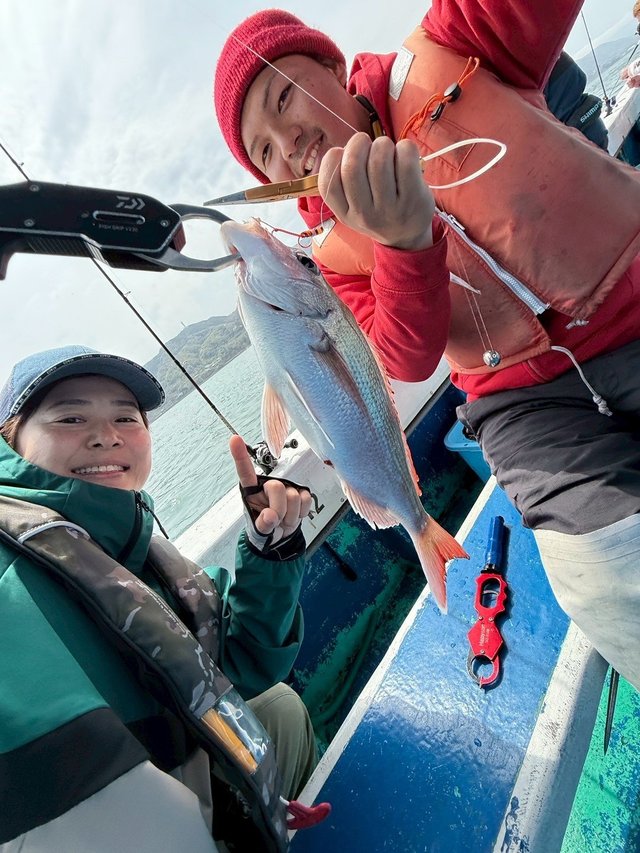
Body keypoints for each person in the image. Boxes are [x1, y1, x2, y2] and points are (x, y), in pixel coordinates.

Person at [213, 4, 640, 693]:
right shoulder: (327, 254)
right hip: (519, 405)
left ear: (330, 64)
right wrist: (403, 243)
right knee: (609, 577)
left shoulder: (455, 42)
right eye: (263, 153)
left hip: (628, 297)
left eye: (282, 98)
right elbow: (404, 359)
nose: (285, 143)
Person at [0, 345, 317, 852]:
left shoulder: (131, 545)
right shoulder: (14, 579)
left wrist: (269, 549)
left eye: (126, 417)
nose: (106, 435)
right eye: (71, 418)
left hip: (191, 777)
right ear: (11, 441)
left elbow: (234, 663)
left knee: (280, 708)